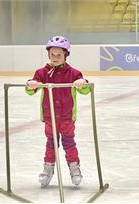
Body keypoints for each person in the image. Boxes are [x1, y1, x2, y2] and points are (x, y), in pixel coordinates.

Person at [25, 36, 90, 188]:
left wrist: (83, 83)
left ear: (65, 55)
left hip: (67, 118)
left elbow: (86, 90)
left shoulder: (73, 73)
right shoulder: (42, 73)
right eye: (52, 55)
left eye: (58, 55)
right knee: (51, 144)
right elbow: (30, 90)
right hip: (50, 117)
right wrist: (31, 85)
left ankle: (75, 170)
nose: (55, 58)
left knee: (69, 144)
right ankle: (48, 170)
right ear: (48, 55)